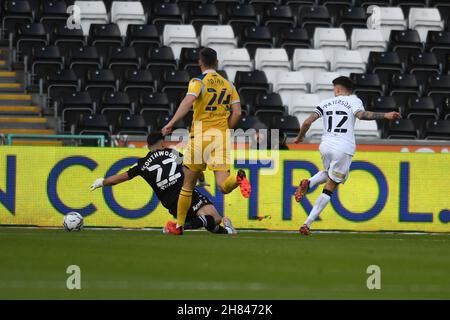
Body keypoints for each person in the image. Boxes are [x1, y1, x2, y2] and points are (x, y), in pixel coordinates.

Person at [294, 76, 401, 235]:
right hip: (343, 148)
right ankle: (307, 224)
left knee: (328, 173)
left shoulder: (325, 103)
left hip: (325, 146)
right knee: (330, 187)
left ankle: (309, 182)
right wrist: (385, 115)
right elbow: (361, 115)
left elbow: (307, 123)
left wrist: (300, 137)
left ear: (337, 89)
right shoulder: (353, 100)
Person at [161, 47, 251, 235]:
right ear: (216, 62)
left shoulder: (198, 81)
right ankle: (238, 179)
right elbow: (237, 112)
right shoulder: (228, 85)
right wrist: (227, 129)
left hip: (200, 136)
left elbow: (187, 103)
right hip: (221, 137)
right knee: (223, 186)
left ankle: (178, 226)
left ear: (200, 63)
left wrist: (171, 123)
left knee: (187, 185)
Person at [90, 133, 236, 235]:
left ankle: (226, 231)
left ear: (148, 146)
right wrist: (202, 180)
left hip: (170, 203)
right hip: (185, 193)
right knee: (215, 218)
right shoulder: (173, 153)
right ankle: (179, 227)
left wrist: (102, 182)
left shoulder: (141, 164)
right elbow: (194, 167)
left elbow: (121, 178)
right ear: (162, 143)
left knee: (204, 220)